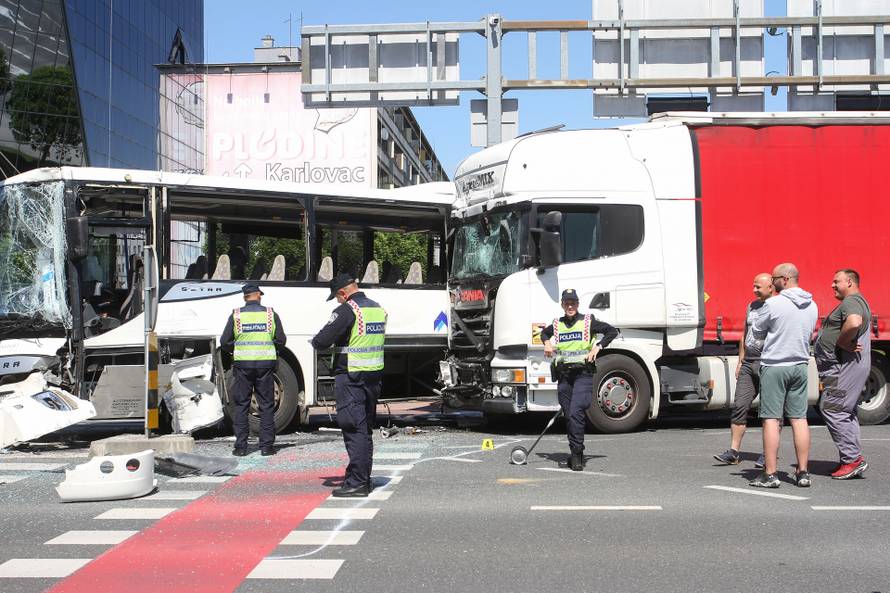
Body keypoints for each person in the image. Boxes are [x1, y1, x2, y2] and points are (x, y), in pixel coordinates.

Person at [311, 273, 386, 497]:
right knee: (364, 430)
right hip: (373, 376)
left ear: (343, 293)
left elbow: (321, 341)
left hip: (351, 376)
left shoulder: (347, 310)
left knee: (354, 429)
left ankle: (358, 483)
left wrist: (317, 341)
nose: (337, 301)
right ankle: (363, 477)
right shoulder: (377, 308)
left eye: (336, 297)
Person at [749, 263, 818, 488]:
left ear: (785, 279)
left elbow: (756, 334)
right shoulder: (812, 304)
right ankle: (803, 472)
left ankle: (770, 474)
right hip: (800, 364)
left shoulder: (772, 304)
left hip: (775, 365)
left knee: (771, 419)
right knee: (799, 419)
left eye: (775, 277)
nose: (773, 280)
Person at [539, 289, 618, 471]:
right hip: (564, 376)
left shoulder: (587, 322)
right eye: (567, 303)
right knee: (569, 416)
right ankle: (576, 450)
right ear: (562, 305)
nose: (570, 306)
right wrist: (547, 343)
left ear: (577, 304)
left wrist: (598, 347)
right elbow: (544, 334)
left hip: (583, 374)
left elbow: (611, 332)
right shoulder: (557, 324)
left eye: (573, 303)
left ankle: (576, 454)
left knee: (576, 412)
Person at [815, 269, 872, 479]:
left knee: (833, 408)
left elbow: (854, 322)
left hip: (839, 367)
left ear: (849, 282)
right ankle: (850, 458)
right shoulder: (857, 301)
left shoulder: (851, 302)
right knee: (845, 411)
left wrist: (842, 342)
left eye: (836, 281)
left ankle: (852, 460)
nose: (832, 285)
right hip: (838, 367)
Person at [714, 273, 774, 465]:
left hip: (768, 363)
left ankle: (768, 455)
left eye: (758, 287)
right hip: (749, 362)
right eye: (753, 286)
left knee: (769, 412)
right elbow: (745, 334)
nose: (754, 290)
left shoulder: (777, 307)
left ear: (771, 287)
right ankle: (733, 451)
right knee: (740, 406)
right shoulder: (752, 306)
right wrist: (741, 360)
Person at [220, 283, 286, 457]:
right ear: (259, 295)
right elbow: (281, 340)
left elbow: (225, 342)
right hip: (265, 365)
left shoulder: (236, 315)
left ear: (245, 297)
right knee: (266, 405)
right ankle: (266, 447)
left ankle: (241, 447)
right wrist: (272, 349)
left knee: (242, 405)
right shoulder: (271, 314)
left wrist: (237, 350)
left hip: (243, 366)